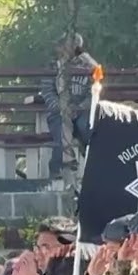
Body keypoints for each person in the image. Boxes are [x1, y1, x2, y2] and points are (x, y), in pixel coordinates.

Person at [39, 34, 97, 179]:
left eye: (75, 46)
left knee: (89, 131)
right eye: (68, 46)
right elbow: (47, 92)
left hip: (82, 112)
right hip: (59, 112)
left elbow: (95, 90)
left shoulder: (88, 66)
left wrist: (80, 108)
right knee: (61, 131)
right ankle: (59, 170)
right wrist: (62, 107)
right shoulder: (53, 66)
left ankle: (93, 170)